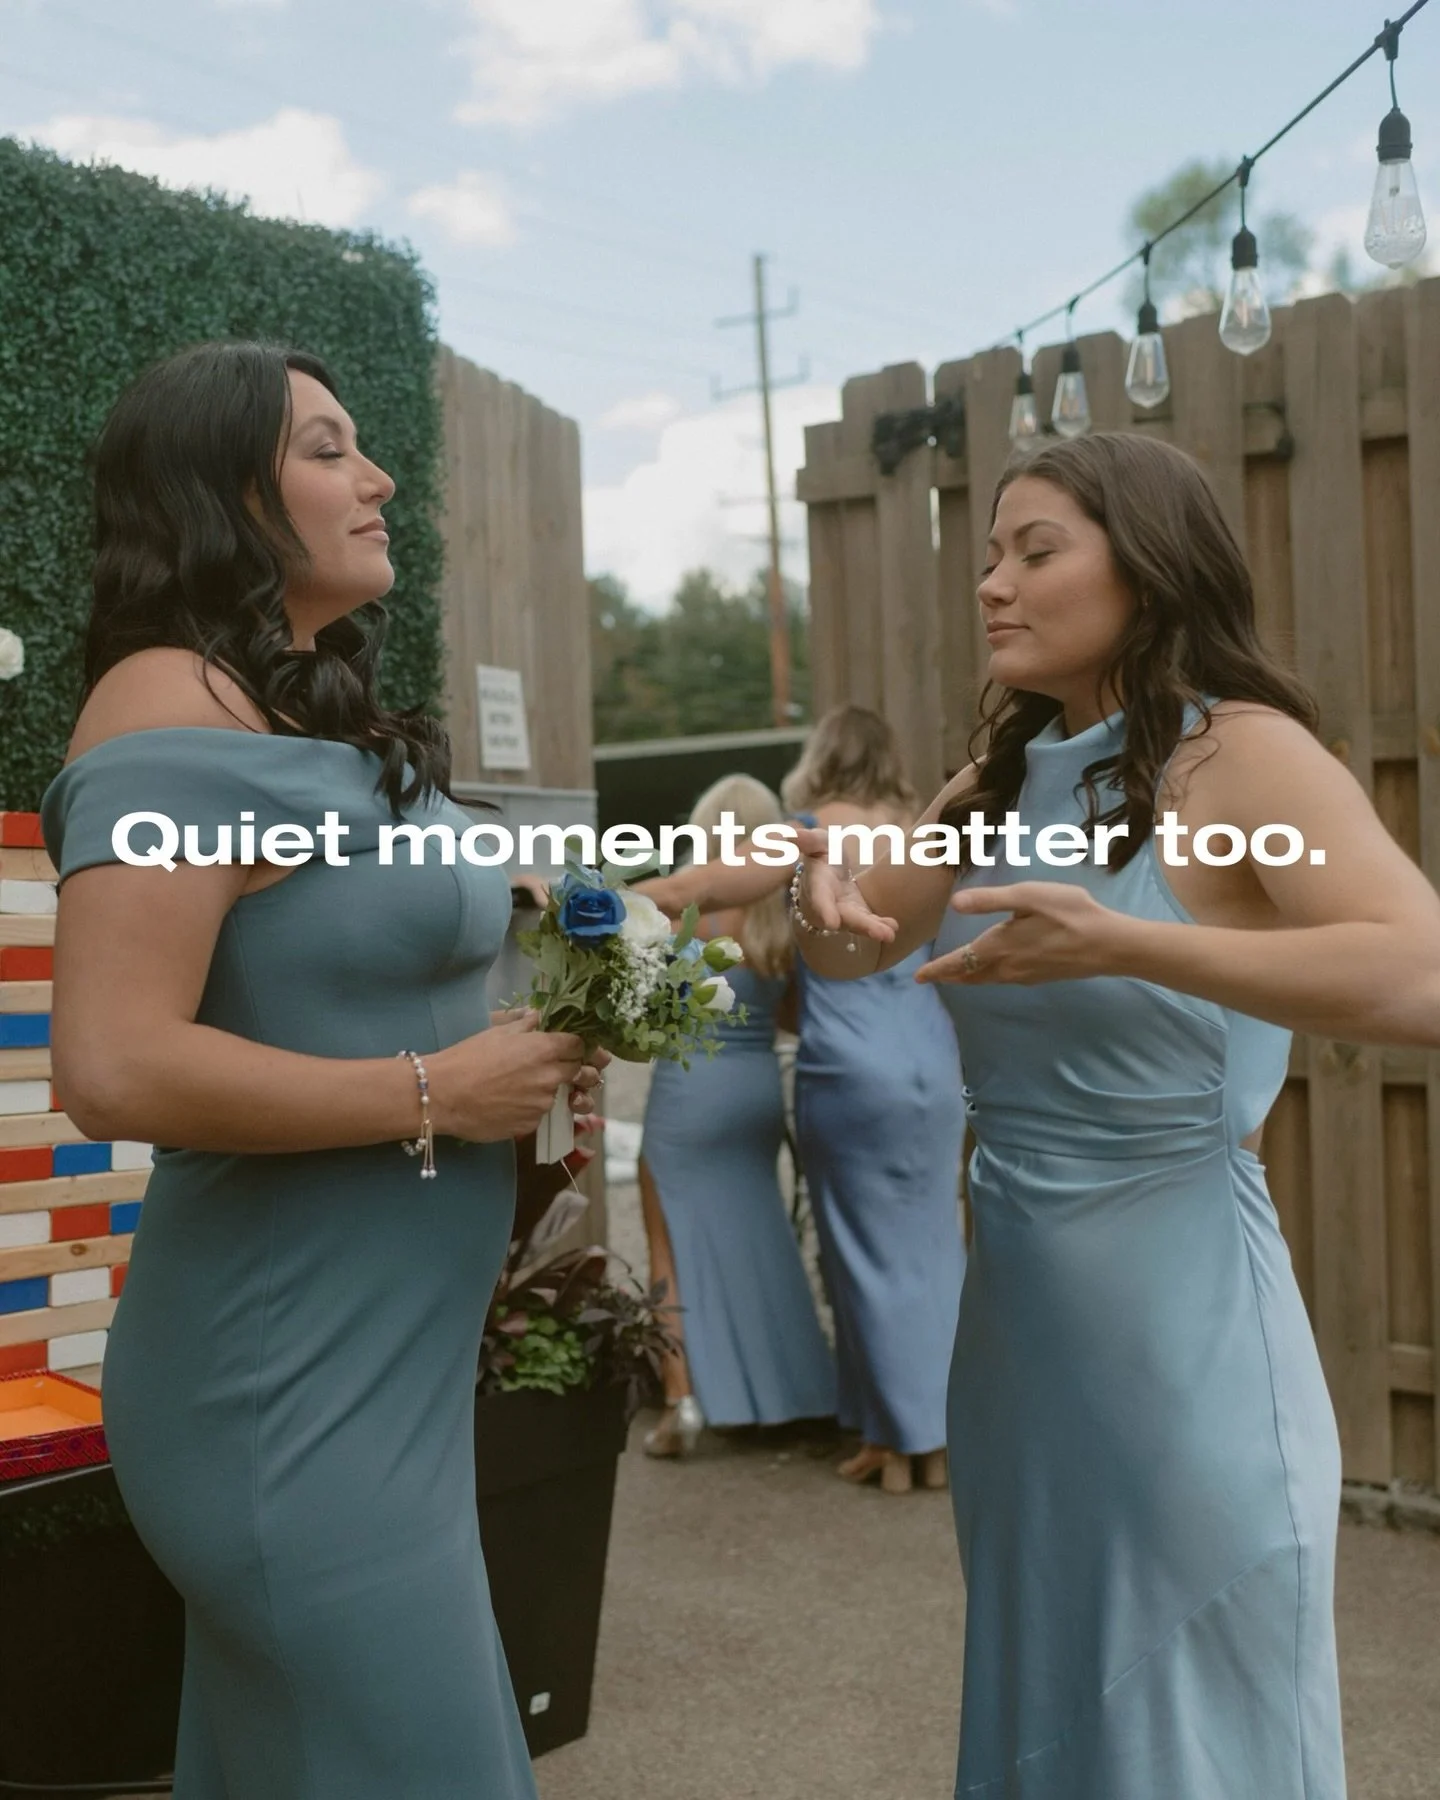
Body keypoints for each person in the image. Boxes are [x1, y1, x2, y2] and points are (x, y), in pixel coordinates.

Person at [788, 432, 1440, 1796]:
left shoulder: (1241, 761)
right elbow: (862, 949)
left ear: (1147, 568)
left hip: (1186, 1340)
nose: (993, 585)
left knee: (1191, 1727)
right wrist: (826, 896)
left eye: (1036, 551)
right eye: (988, 556)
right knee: (1055, 1699)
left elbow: (1421, 973)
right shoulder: (997, 782)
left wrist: (1130, 943)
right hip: (1025, 1346)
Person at [41, 341, 604, 1800]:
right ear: (225, 493)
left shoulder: (295, 715)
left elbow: (363, 962)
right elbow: (111, 1063)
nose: (379, 476)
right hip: (279, 1389)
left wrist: (588, 989)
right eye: (329, 449)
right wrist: (438, 1093)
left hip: (383, 1380)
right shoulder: (169, 713)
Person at [641, 708, 966, 1495]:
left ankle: (899, 1440)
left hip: (852, 1063)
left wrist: (594, 901)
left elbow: (701, 884)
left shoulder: (815, 829)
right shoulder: (928, 832)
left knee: (863, 1252)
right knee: (933, 1246)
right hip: (933, 1053)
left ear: (820, 760)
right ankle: (932, 1434)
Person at [638, 774, 836, 1456]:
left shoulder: (682, 908)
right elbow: (789, 1012)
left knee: (670, 1246)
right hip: (755, 1085)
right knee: (760, 1231)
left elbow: (642, 1003)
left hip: (690, 1087)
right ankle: (791, 1390)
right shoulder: (779, 911)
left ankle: (680, 1403)